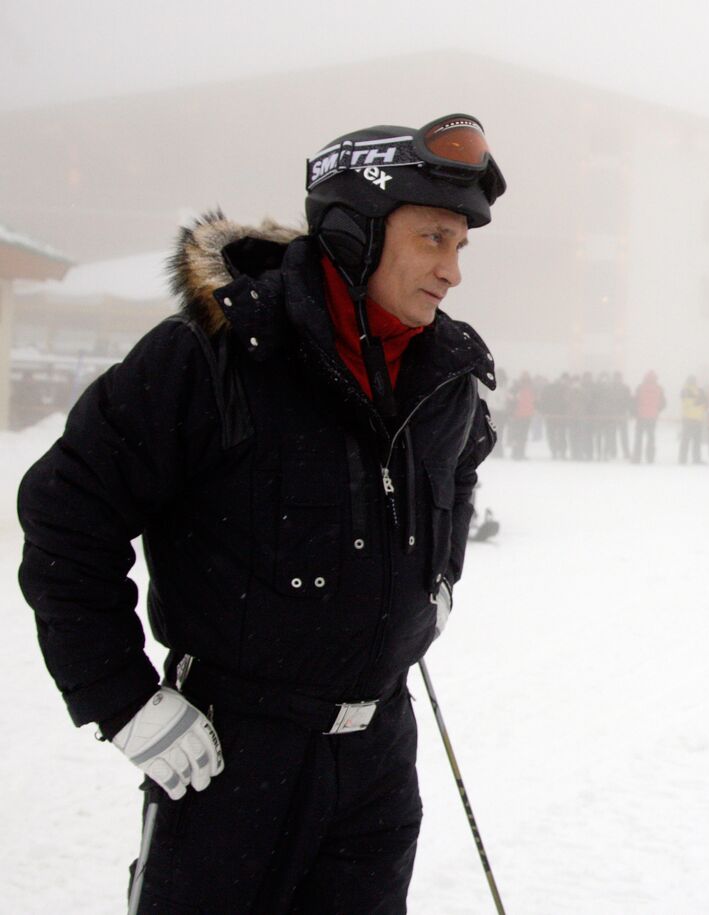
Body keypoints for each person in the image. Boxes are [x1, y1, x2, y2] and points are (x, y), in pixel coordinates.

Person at [17, 114, 505, 913]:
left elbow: (459, 472)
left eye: (460, 246)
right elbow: (67, 513)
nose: (453, 270)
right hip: (232, 761)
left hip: (379, 758)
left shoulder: (444, 371)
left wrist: (435, 578)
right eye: (434, 239)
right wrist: (123, 698)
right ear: (354, 232)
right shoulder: (216, 356)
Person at [632, 370, 665, 463]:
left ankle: (637, 457)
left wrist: (635, 412)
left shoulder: (640, 387)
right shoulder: (659, 388)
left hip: (641, 416)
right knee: (651, 438)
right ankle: (650, 457)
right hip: (652, 417)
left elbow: (634, 401)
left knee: (639, 438)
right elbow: (663, 403)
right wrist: (656, 410)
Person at [678, 375, 707, 464]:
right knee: (696, 441)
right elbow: (704, 402)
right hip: (697, 418)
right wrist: (699, 401)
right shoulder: (699, 391)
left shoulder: (684, 390)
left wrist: (698, 401)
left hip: (688, 418)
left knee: (686, 440)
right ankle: (696, 459)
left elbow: (689, 401)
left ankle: (683, 459)